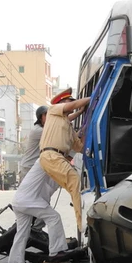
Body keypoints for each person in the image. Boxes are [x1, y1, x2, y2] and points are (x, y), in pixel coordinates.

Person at [7, 159, 69, 263]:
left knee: (21, 234)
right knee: (54, 218)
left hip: (19, 202)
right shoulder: (44, 160)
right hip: (29, 201)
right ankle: (56, 251)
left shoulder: (51, 168)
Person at [40, 88, 89, 232]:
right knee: (75, 181)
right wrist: (92, 97)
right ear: (61, 102)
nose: (73, 103)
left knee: (76, 187)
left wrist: (83, 122)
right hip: (51, 156)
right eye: (70, 100)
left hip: (56, 158)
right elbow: (71, 108)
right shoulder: (54, 110)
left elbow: (80, 147)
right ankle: (81, 225)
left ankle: (82, 221)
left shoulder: (67, 126)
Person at [19, 106, 48, 183]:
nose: (49, 117)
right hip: (28, 168)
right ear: (40, 117)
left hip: (34, 167)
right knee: (27, 194)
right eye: (46, 115)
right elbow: (55, 131)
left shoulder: (41, 129)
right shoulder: (38, 130)